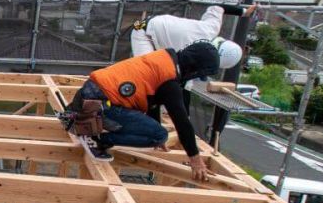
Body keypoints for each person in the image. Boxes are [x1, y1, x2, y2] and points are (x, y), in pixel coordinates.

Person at [62, 42, 221, 180]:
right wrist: (195, 159)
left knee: (157, 134)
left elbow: (153, 102)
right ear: (194, 69)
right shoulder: (169, 82)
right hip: (101, 105)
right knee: (160, 134)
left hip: (89, 96)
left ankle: (85, 124)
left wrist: (154, 130)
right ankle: (97, 140)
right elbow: (182, 123)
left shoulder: (163, 59)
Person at [129, 4, 255, 71]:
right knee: (146, 71)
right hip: (143, 32)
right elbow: (184, 87)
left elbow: (218, 8)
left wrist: (244, 12)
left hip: (156, 22)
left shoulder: (211, 28)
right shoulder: (192, 52)